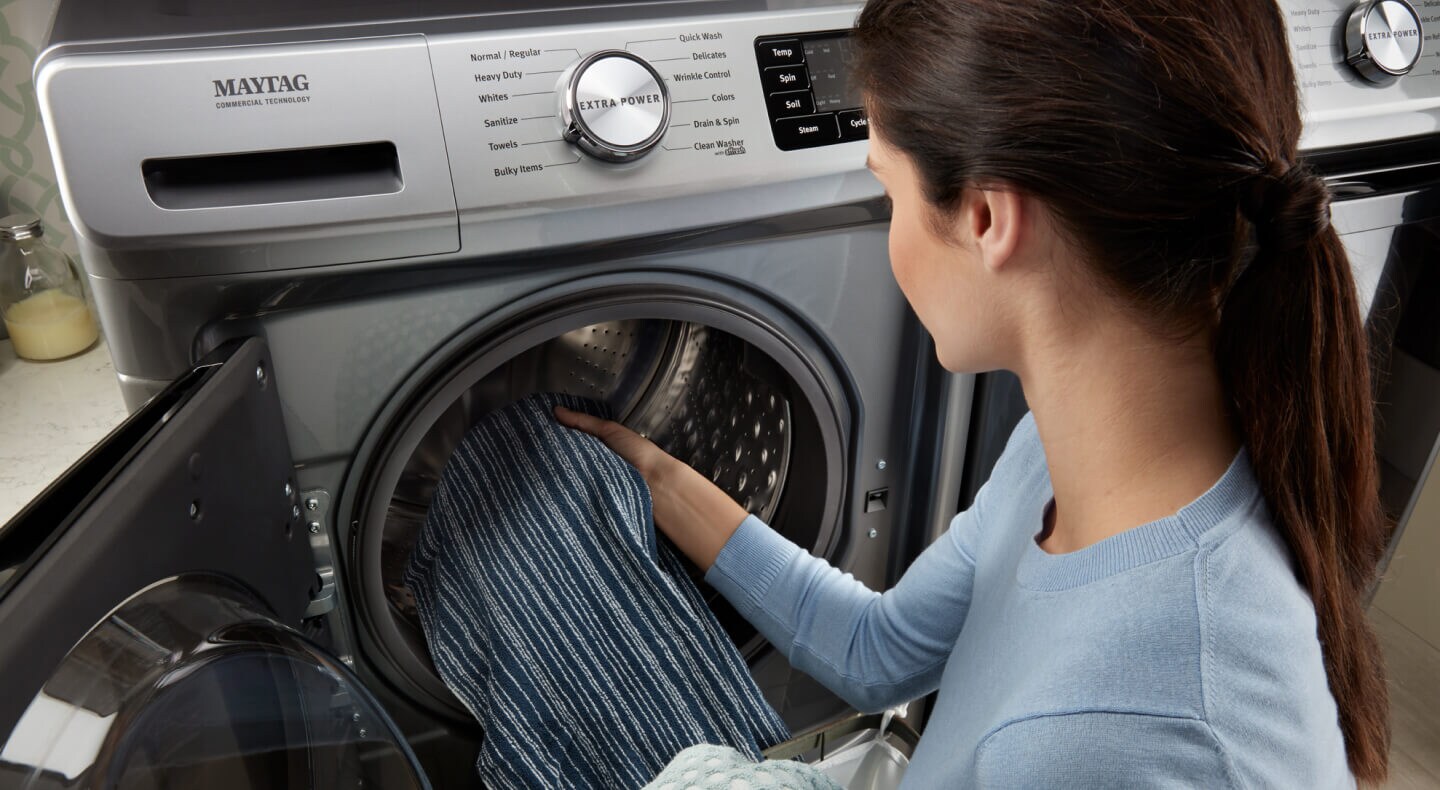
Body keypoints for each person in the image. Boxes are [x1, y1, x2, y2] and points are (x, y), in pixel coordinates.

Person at [557, 0, 1390, 785]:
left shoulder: (1109, 738)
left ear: (989, 219)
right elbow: (877, 650)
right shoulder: (1084, 460)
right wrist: (652, 476)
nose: (891, 228)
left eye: (889, 190)